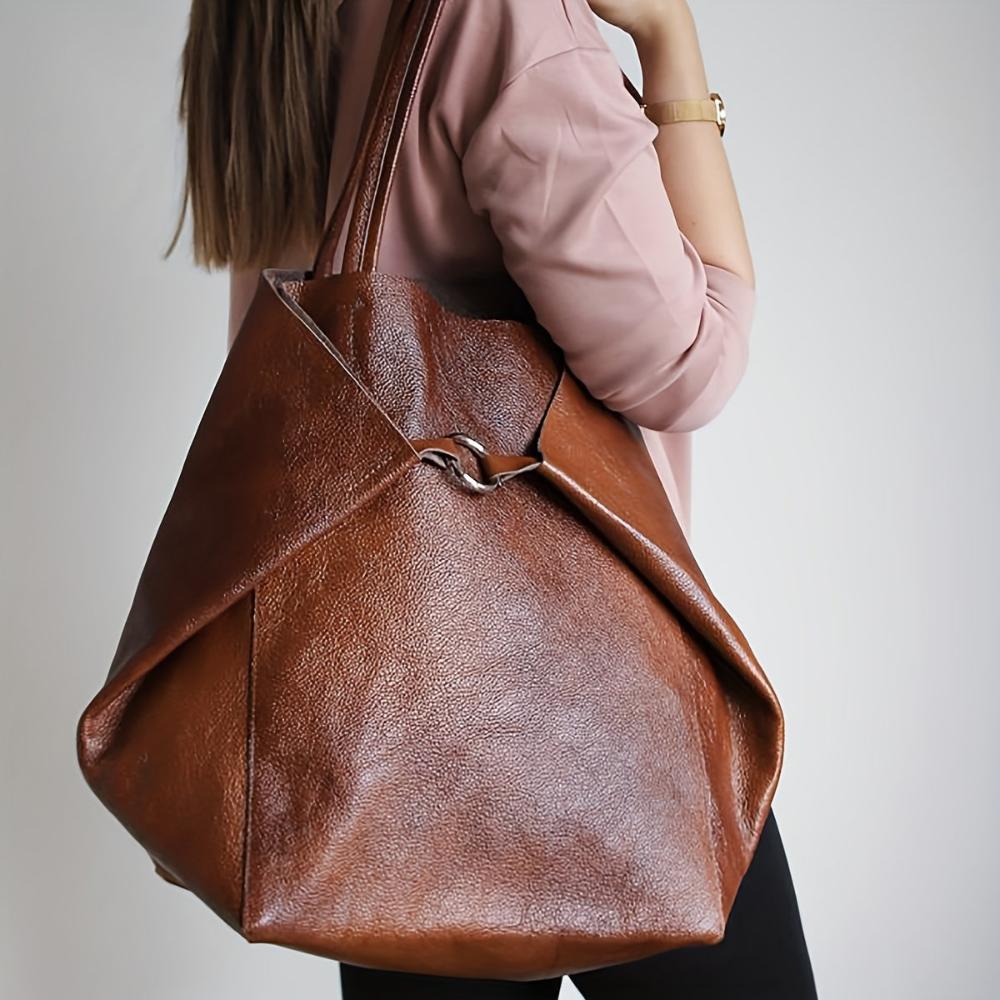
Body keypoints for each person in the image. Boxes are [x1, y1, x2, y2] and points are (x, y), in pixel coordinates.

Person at [168, 0, 818, 995]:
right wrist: (670, 42)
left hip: (383, 731)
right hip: (591, 708)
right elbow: (691, 361)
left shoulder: (255, 22)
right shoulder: (494, 14)